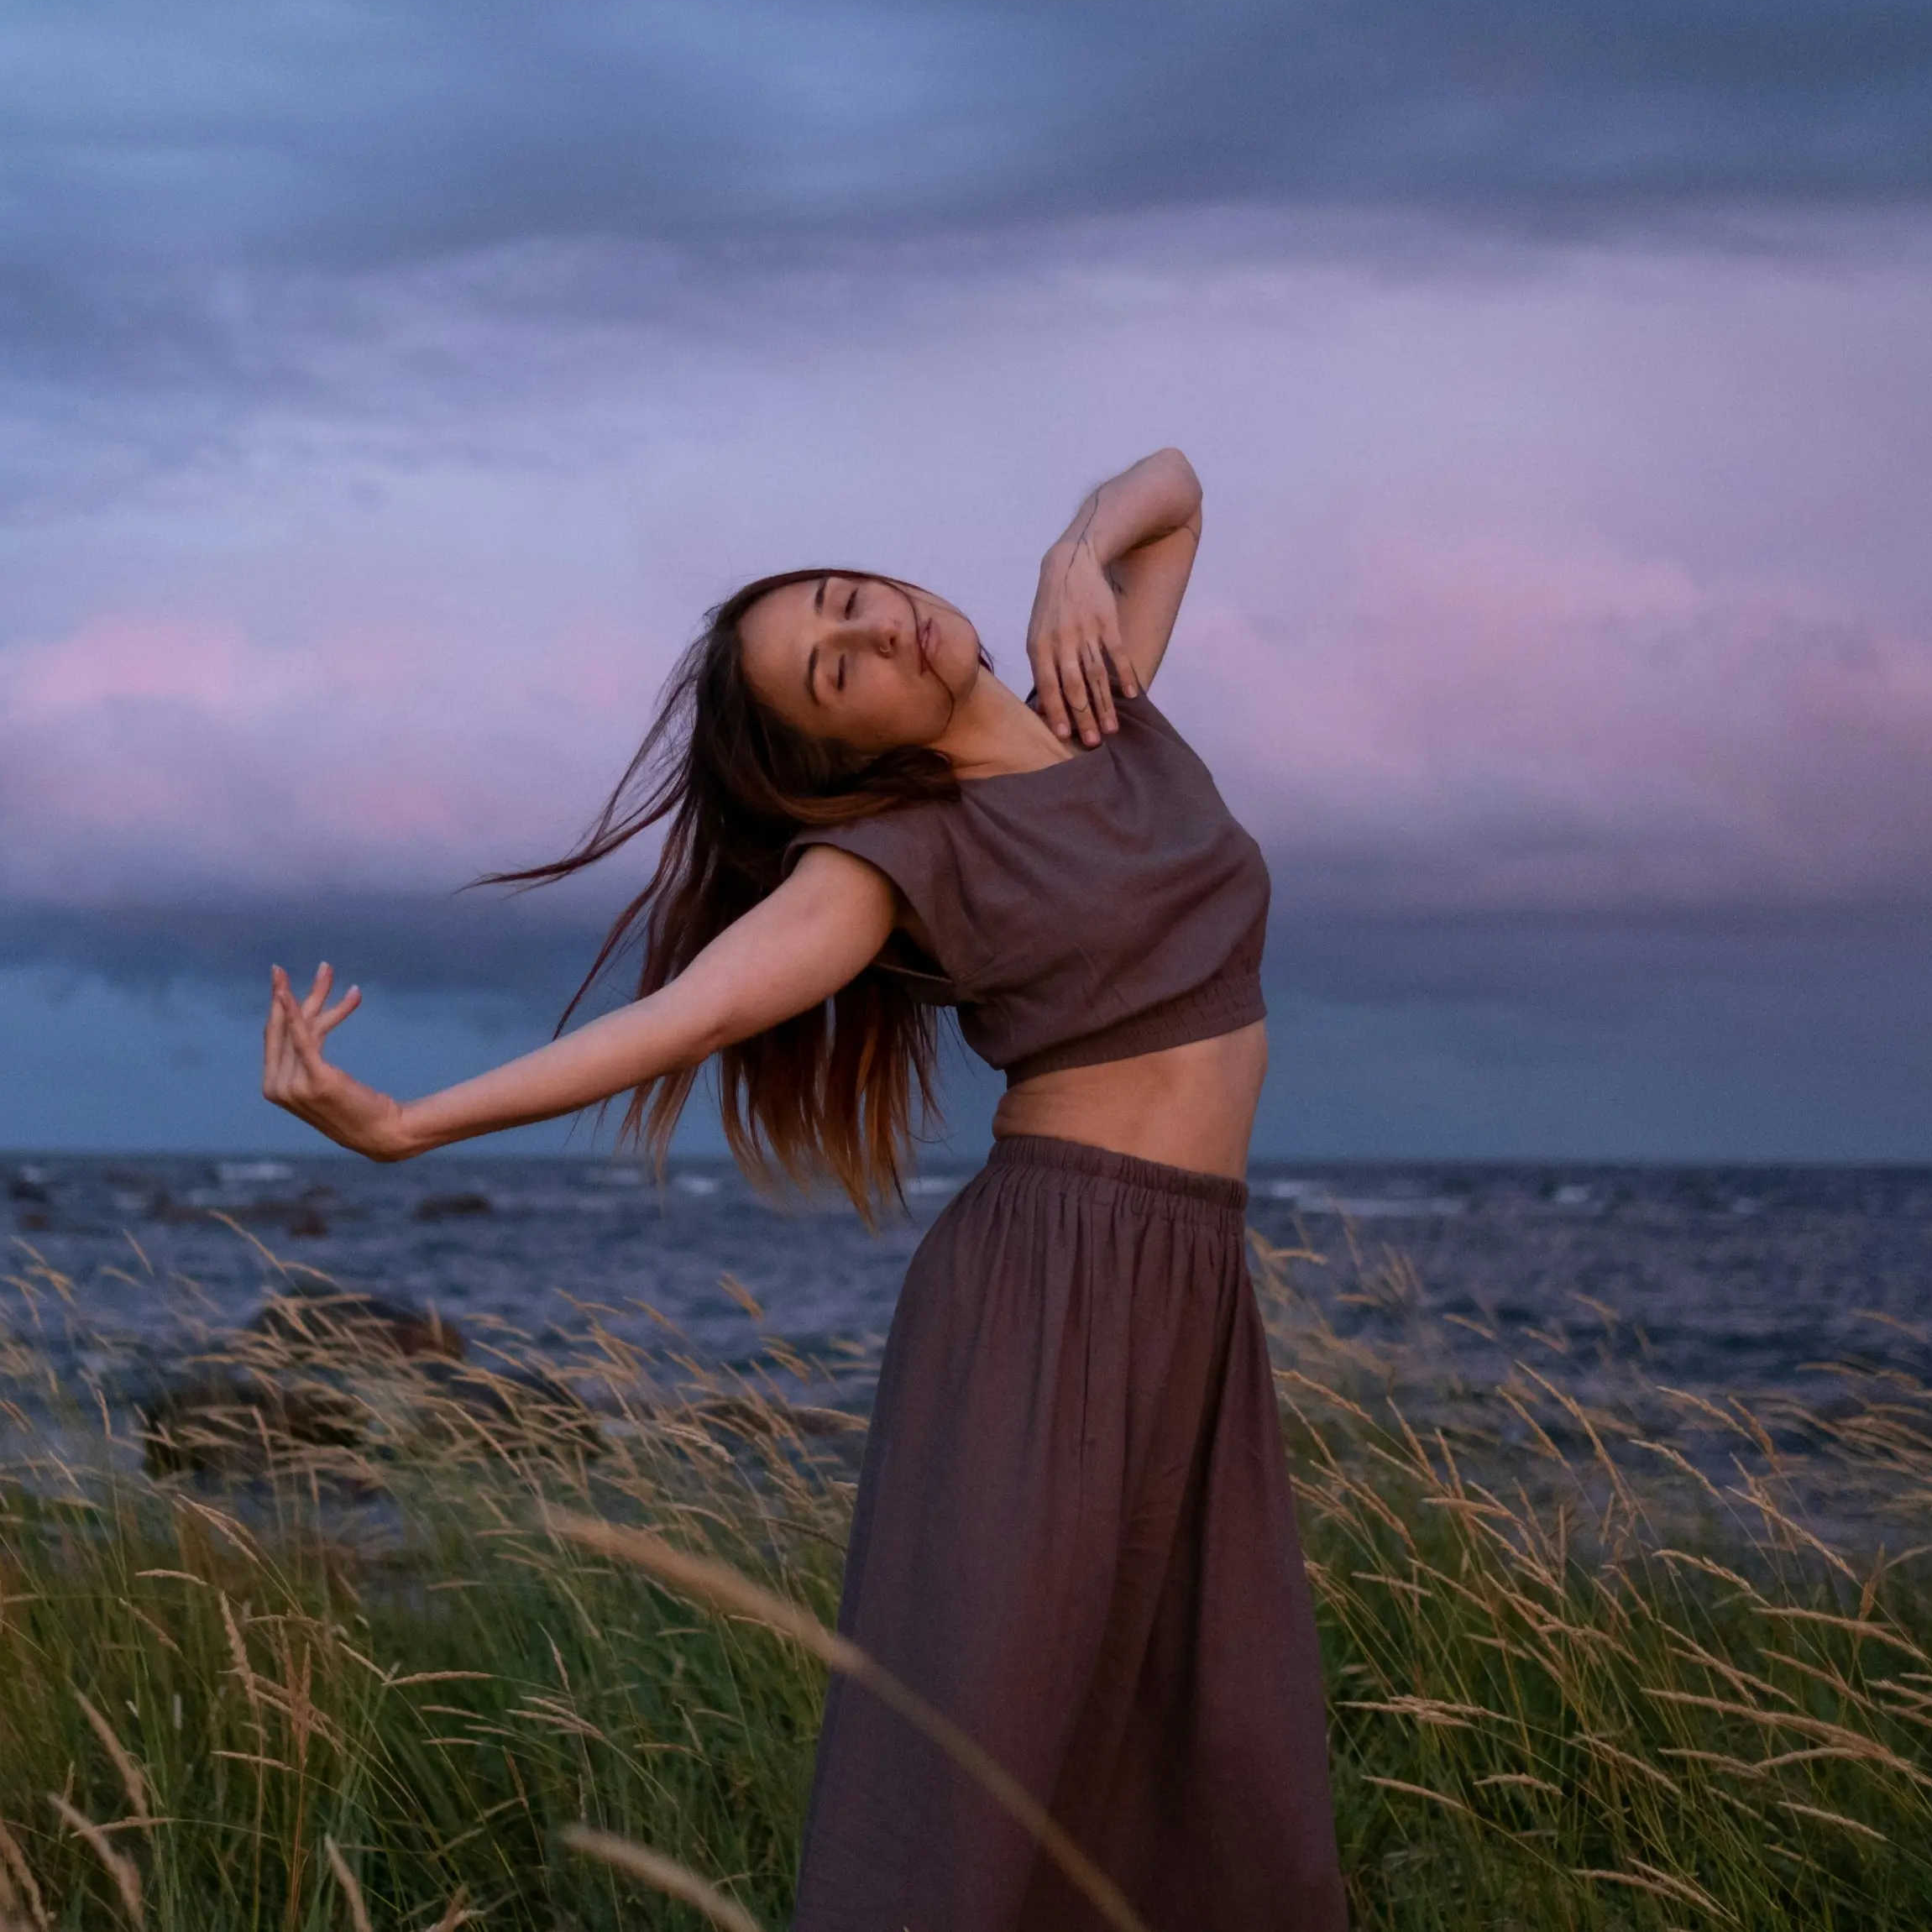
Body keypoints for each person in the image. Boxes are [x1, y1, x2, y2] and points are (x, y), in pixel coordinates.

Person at [260, 447, 1347, 1931]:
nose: (881, 632)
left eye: (852, 599)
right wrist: (402, 1123)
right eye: (839, 673)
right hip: (1051, 1288)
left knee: (1212, 1741)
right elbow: (695, 1013)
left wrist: (1068, 553)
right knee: (979, 1766)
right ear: (848, 759)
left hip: (1189, 1283)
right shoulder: (894, 856)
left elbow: (1180, 490)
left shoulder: (1097, 701)